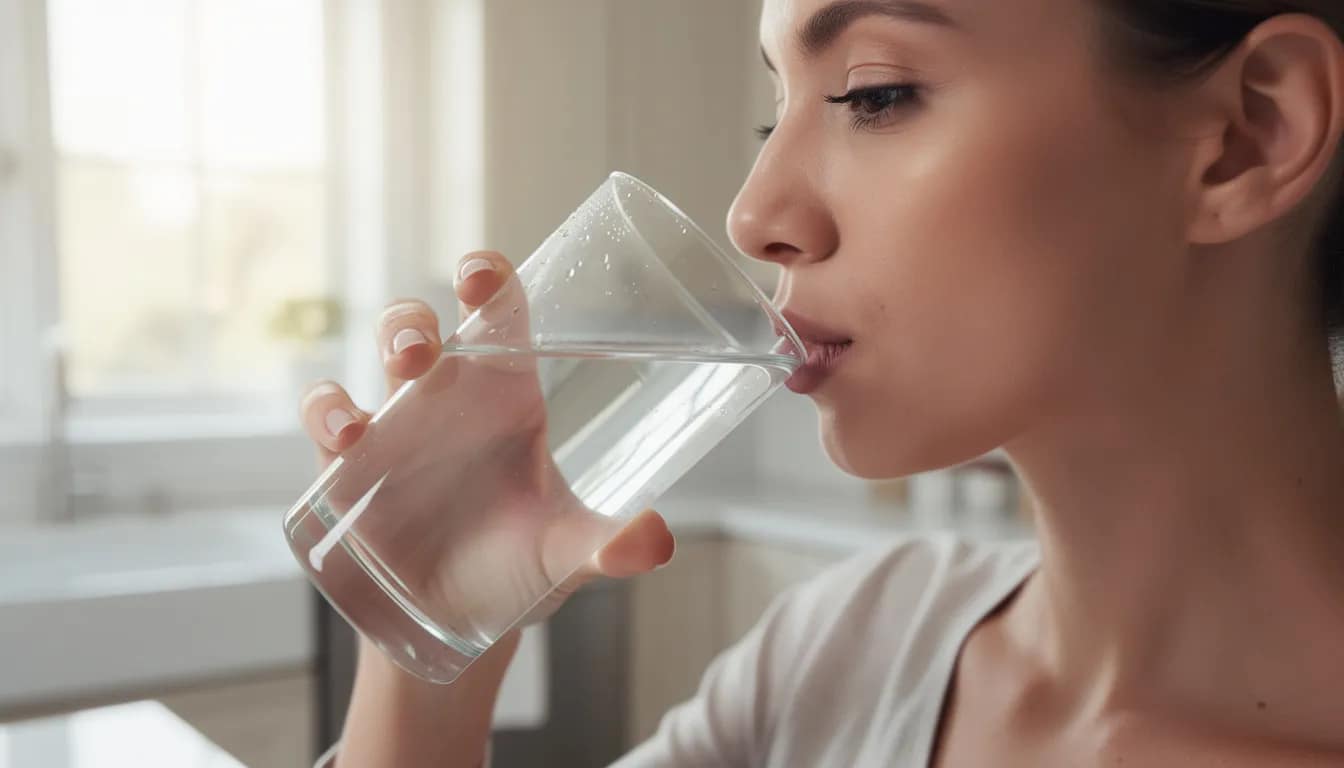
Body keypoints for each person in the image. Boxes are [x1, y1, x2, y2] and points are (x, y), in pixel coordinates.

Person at [301, 0, 1344, 764]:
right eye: (776, 116)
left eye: (874, 94)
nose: (753, 215)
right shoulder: (839, 655)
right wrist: (426, 661)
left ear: (1249, 134)